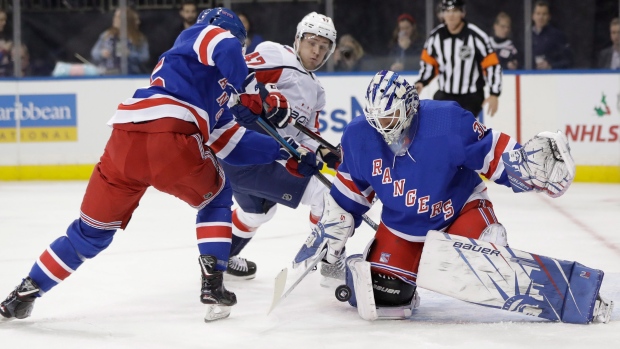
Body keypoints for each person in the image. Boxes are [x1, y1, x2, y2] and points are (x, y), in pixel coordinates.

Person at [0, 7, 313, 323]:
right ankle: (213, 284)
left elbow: (232, 144)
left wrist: (286, 152)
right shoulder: (201, 36)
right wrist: (251, 89)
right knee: (216, 196)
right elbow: (224, 44)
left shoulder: (211, 90)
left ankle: (26, 291)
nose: (241, 52)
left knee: (89, 234)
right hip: (168, 134)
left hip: (124, 143)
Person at [294, 70, 613, 324]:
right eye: (376, 120)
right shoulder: (359, 136)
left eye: (389, 118)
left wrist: (529, 167)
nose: (383, 128)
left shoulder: (446, 121)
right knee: (380, 298)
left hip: (458, 210)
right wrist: (331, 234)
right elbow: (349, 197)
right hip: (402, 228)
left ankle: (489, 245)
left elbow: (494, 156)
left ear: (408, 107)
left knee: (486, 253)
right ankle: (383, 271)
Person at [219, 12, 341, 284]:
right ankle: (328, 263)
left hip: (258, 158)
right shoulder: (277, 55)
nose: (316, 51)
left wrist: (329, 156)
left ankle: (219, 259)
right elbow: (232, 74)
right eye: (312, 42)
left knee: (257, 212)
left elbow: (309, 138)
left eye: (324, 47)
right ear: (298, 39)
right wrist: (259, 100)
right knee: (324, 194)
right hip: (246, 148)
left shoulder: (317, 92)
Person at [416, 0, 502, 118]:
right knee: (441, 127)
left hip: (471, 96)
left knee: (461, 131)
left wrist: (494, 93)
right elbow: (429, 64)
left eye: (455, 11)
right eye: (447, 11)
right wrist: (422, 81)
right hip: (445, 94)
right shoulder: (435, 37)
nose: (451, 15)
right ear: (442, 14)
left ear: (463, 13)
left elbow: (492, 65)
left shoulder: (476, 36)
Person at [90, 7, 150, 75]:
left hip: (130, 73)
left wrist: (129, 54)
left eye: (118, 17)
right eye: (114, 16)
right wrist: (102, 53)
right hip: (107, 72)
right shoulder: (106, 35)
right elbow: (94, 52)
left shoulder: (138, 38)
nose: (114, 19)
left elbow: (145, 57)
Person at [531, 0, 572, 70]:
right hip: (528, 77)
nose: (541, 17)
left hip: (551, 77)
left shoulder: (557, 35)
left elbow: (568, 61)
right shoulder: (526, 36)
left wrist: (551, 66)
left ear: (549, 16)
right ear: (533, 16)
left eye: (544, 14)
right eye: (538, 13)